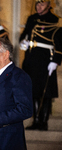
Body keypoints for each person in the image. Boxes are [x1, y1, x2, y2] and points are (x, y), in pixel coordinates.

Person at [19, 0, 62, 130]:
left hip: (46, 61)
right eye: (37, 4)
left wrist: (56, 60)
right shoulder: (32, 18)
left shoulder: (55, 20)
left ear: (49, 6)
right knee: (33, 91)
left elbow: (60, 43)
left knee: (46, 92)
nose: (39, 7)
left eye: (42, 4)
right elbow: (25, 34)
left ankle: (44, 121)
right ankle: (36, 120)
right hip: (31, 60)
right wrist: (23, 42)